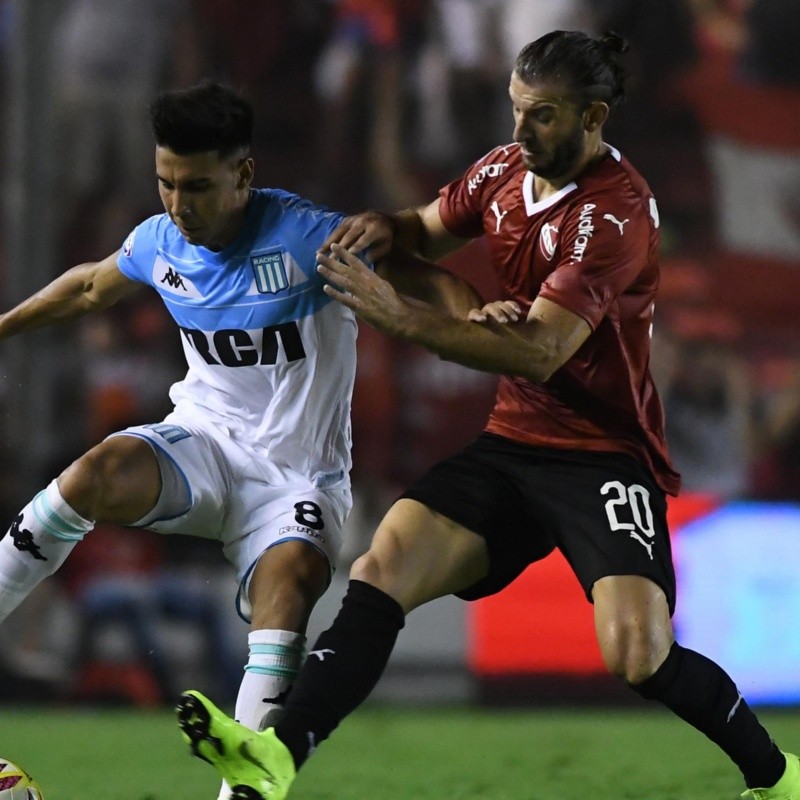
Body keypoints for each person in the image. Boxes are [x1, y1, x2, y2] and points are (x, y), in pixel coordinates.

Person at [173, 32, 800, 800]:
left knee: (638, 654)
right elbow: (427, 224)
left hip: (601, 455)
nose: (520, 131)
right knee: (381, 567)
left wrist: (395, 315)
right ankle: (278, 757)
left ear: (593, 116)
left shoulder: (615, 216)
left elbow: (539, 352)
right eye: (516, 110)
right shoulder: (504, 172)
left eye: (542, 116)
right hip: (512, 443)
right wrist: (386, 226)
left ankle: (778, 777)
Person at [0, 80, 483, 800]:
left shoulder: (307, 238)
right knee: (95, 472)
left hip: (297, 477)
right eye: (165, 183)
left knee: (286, 582)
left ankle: (244, 794)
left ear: (244, 175)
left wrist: (478, 318)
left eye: (196, 186)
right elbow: (90, 289)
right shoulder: (160, 242)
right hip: (203, 445)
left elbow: (421, 274)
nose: (178, 204)